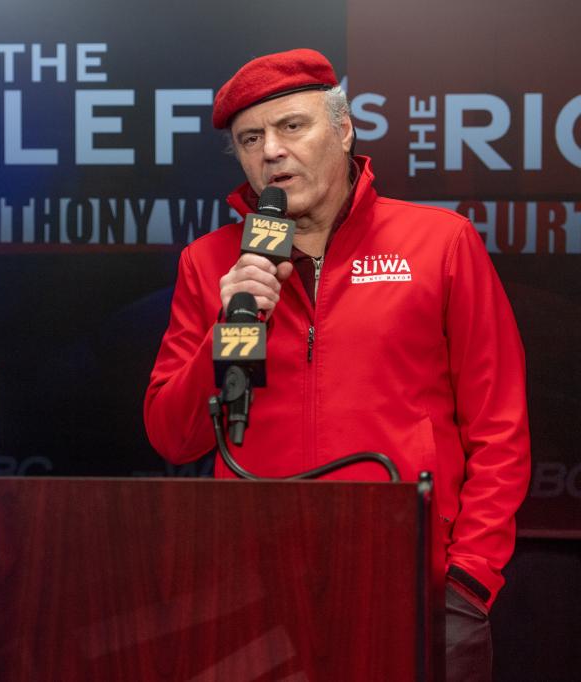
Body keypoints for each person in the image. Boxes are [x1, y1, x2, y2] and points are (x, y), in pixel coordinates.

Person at [143, 48, 529, 681]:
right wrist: (227, 330)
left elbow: (500, 427)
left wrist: (469, 579)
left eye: (292, 126)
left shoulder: (439, 243)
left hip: (414, 585)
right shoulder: (210, 263)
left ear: (344, 129)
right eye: (250, 138)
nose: (271, 150)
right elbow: (172, 435)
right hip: (253, 596)